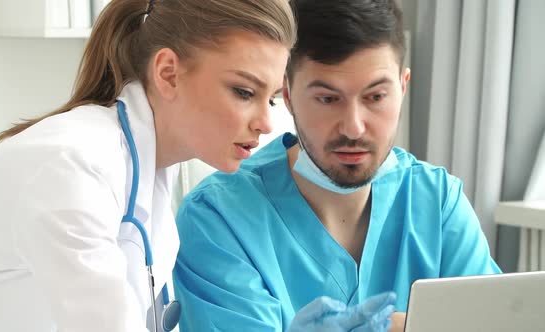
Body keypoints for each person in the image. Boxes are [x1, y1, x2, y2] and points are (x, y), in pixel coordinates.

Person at [0, 0, 296, 331]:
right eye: (244, 92)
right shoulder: (73, 167)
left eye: (272, 99)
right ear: (168, 74)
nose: (267, 123)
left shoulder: (153, 168)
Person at [172, 0, 502, 331]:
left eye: (375, 97)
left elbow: (498, 322)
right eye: (328, 99)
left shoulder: (438, 202)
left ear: (402, 88)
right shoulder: (216, 218)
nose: (353, 127)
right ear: (287, 94)